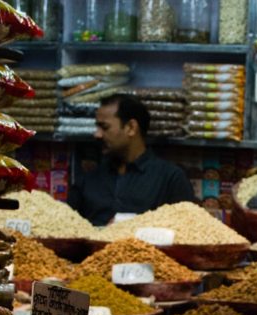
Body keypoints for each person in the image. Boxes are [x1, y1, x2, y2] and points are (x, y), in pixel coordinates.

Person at [67, 94, 195, 225]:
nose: (97, 134)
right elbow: (70, 232)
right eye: (97, 127)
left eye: (104, 127)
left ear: (131, 128)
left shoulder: (171, 179)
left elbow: (185, 234)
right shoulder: (87, 180)